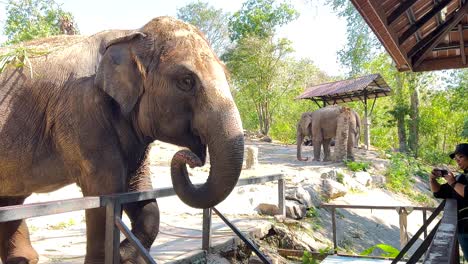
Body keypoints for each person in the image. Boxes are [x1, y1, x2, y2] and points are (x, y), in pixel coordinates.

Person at [430, 143, 468, 259]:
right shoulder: (460, 178)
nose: (457, 160)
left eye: (460, 157)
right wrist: (432, 179)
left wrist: (453, 183)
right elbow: (439, 192)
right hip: (464, 230)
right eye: (456, 158)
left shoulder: (456, 181)